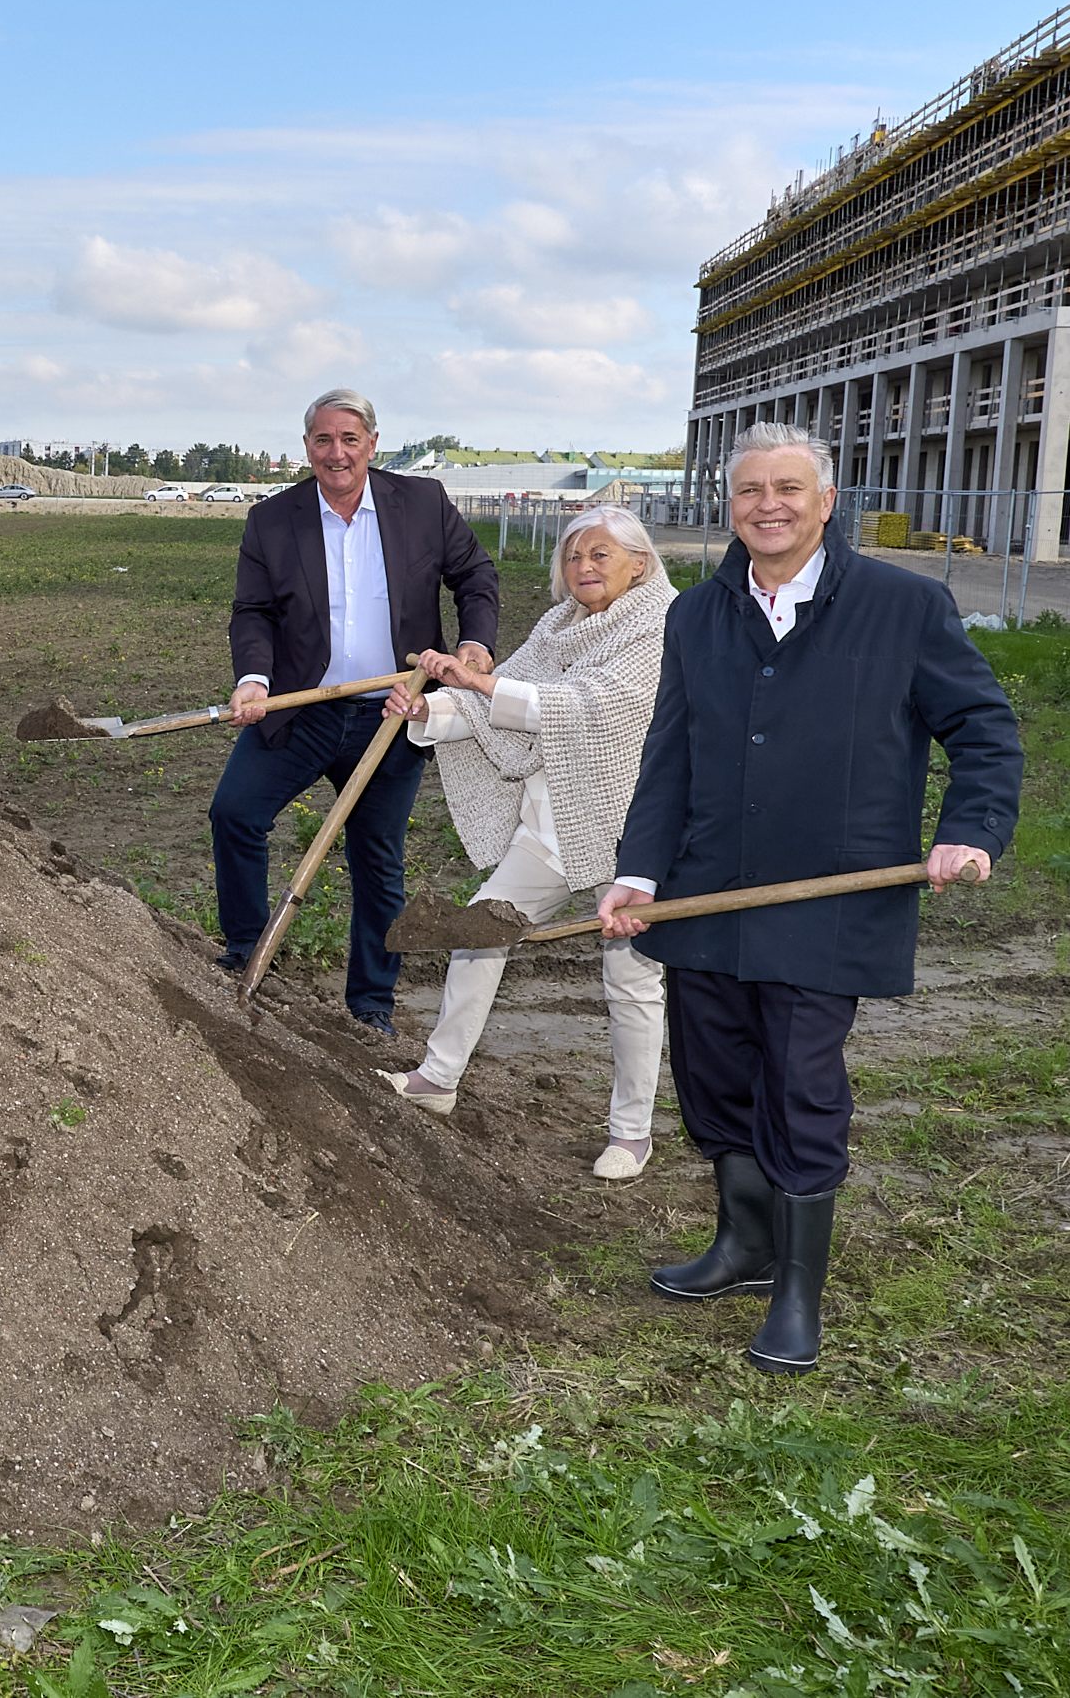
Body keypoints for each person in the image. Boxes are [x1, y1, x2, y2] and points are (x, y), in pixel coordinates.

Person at [597, 423, 1020, 1375]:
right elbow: (668, 756)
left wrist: (970, 829)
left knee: (799, 1084)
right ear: (729, 504)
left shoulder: (902, 605)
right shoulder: (696, 616)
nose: (767, 505)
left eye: (788, 487)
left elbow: (985, 731)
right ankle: (742, 1246)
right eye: (748, 490)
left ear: (826, 501)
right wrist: (640, 869)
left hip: (827, 898)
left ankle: (797, 1289)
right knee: (712, 1079)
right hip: (706, 895)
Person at [378, 505, 676, 1177]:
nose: (582, 567)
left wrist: (482, 682)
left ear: (639, 561)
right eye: (572, 556)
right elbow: (497, 702)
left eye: (600, 554)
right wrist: (430, 707)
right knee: (480, 928)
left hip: (632, 830)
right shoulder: (557, 625)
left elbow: (589, 704)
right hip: (555, 821)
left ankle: (630, 1133)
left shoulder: (662, 625)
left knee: (631, 977)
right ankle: (437, 1076)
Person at [212, 389, 502, 1033]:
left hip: (392, 714)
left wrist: (475, 645)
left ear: (373, 443)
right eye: (323, 440)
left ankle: (371, 1003)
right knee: (234, 813)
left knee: (377, 857)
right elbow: (253, 611)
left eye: (350, 439)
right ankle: (242, 952)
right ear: (307, 447)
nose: (336, 452)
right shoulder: (273, 518)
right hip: (303, 709)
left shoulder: (421, 504)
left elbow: (475, 575)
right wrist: (254, 678)